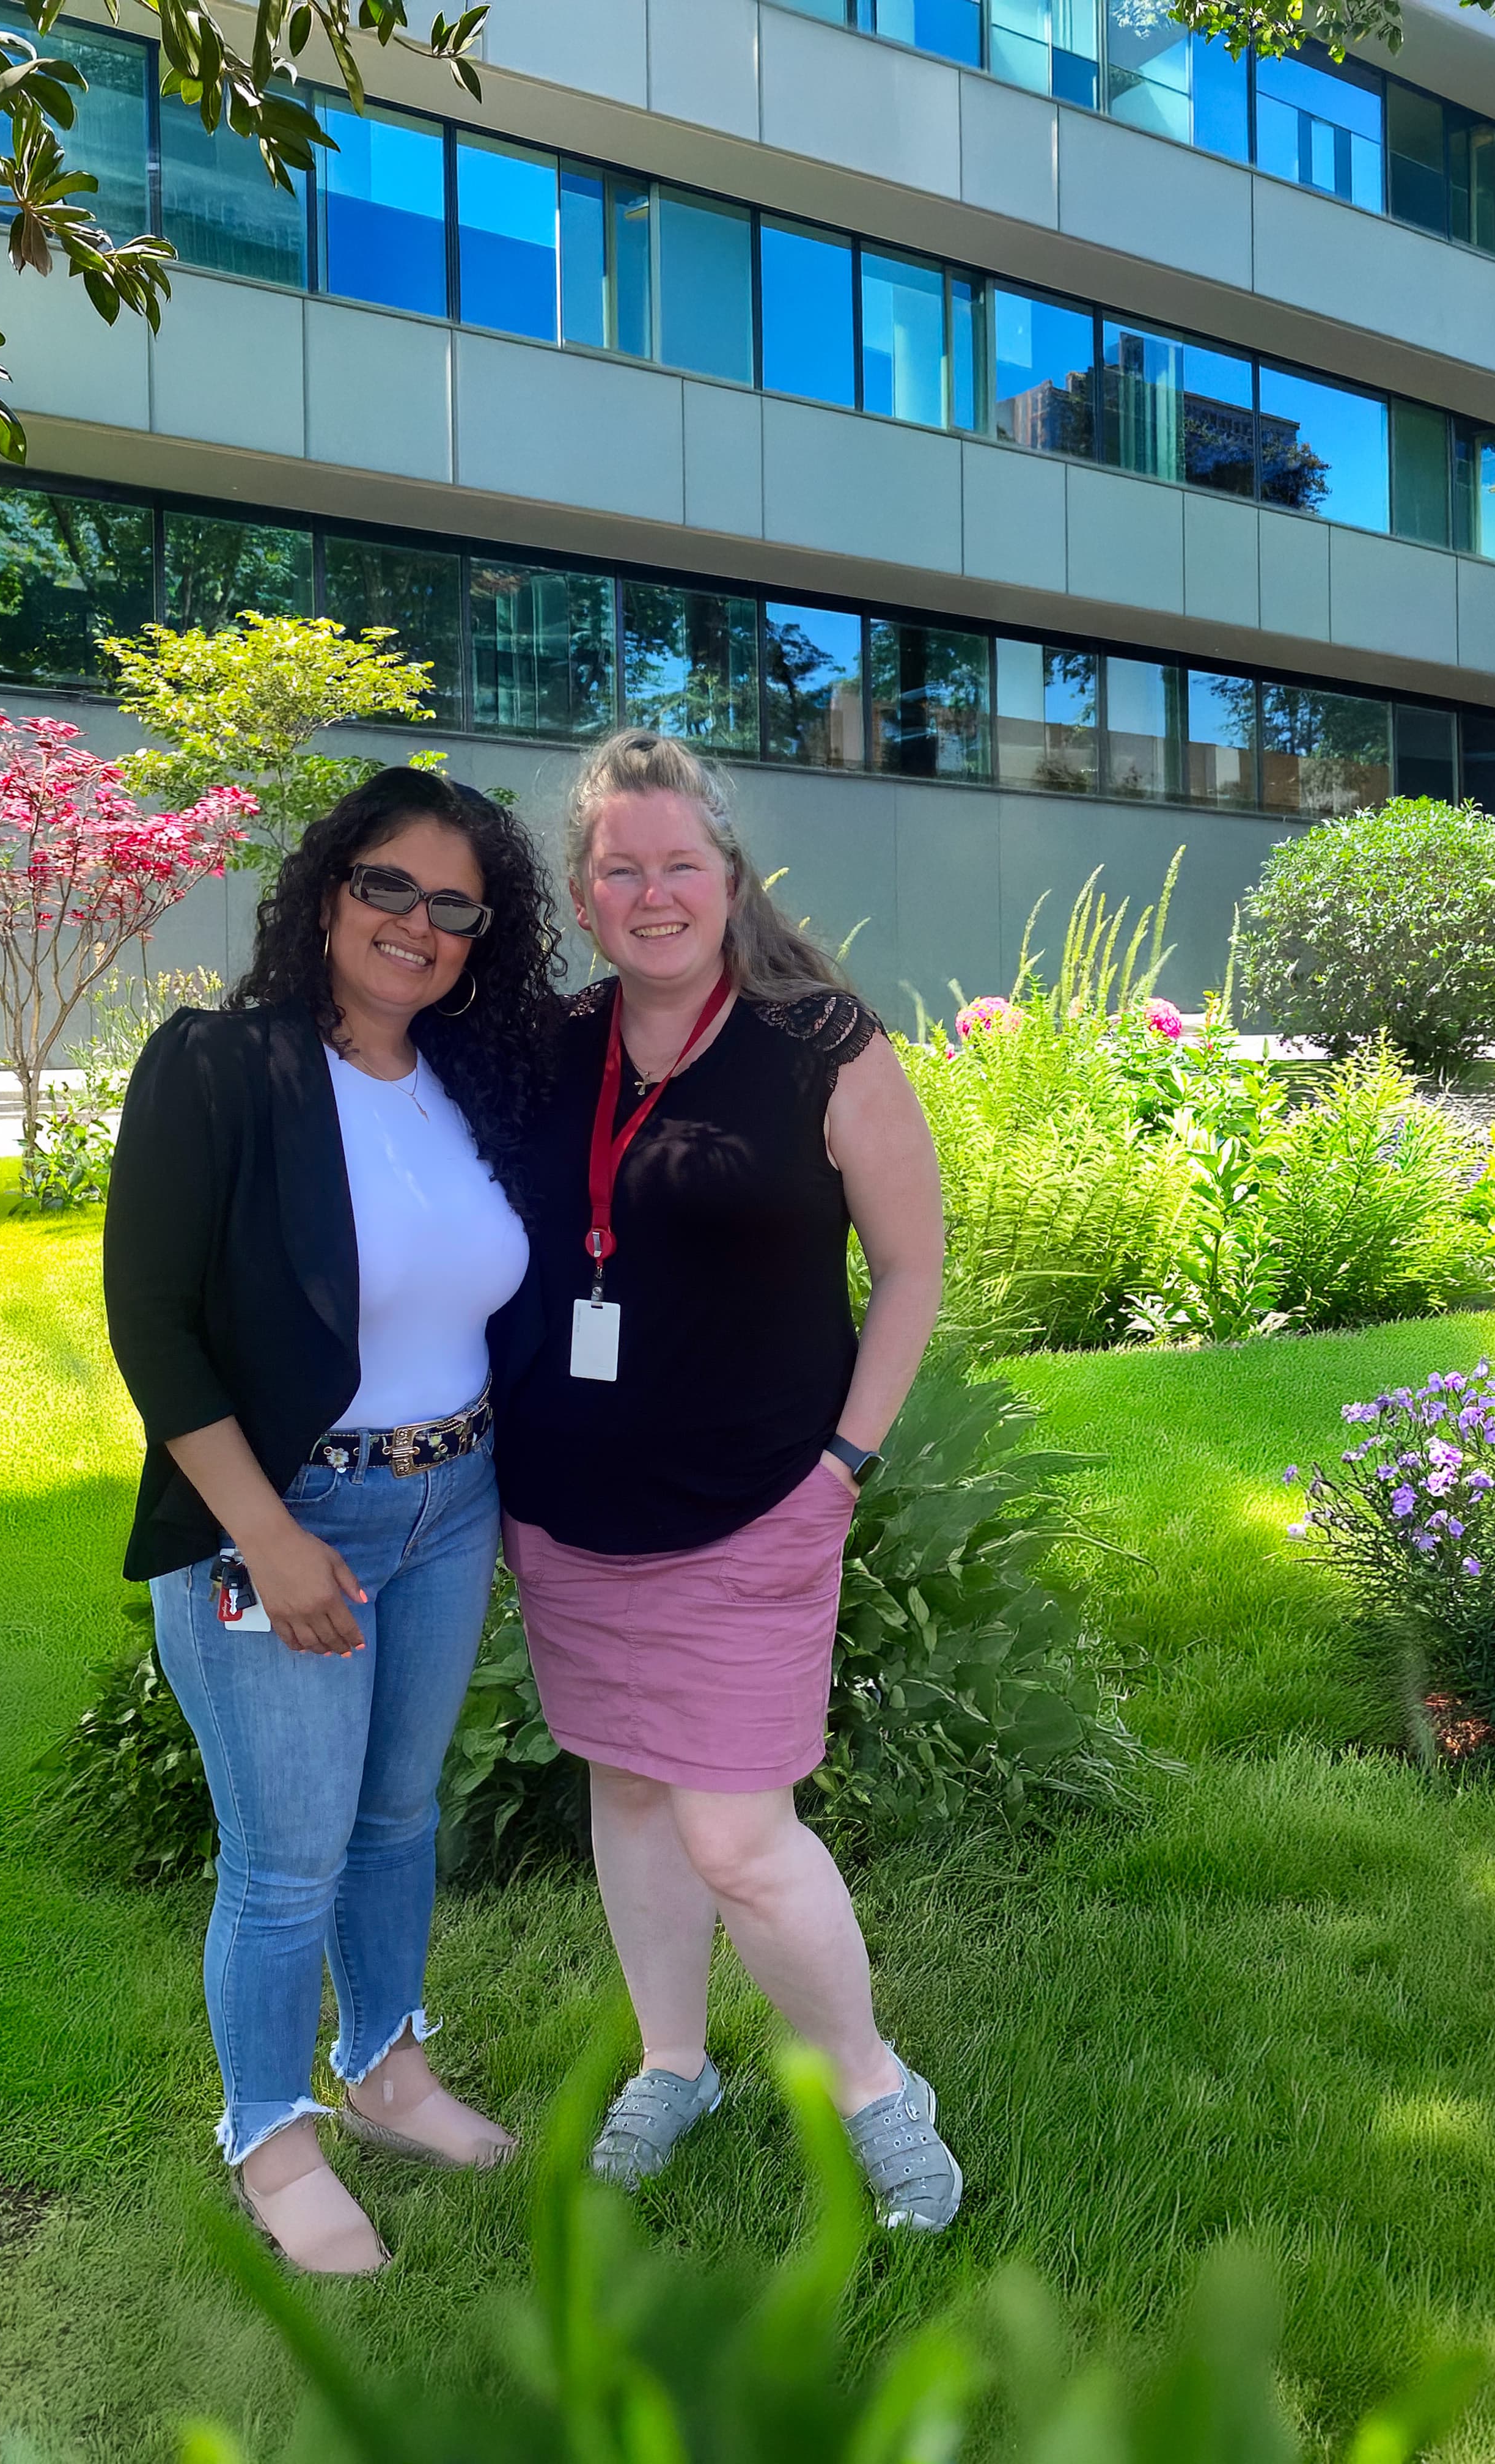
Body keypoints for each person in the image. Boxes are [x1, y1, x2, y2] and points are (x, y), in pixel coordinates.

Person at [490, 730, 960, 2232]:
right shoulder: (553, 1048)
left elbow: (911, 1266)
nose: (650, 891)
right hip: (569, 1511)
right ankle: (676, 2063)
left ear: (727, 875)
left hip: (758, 1502)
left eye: (676, 862)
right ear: (581, 888)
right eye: (617, 867)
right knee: (629, 1791)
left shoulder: (821, 1039)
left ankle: (878, 2088)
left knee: (738, 1836)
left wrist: (842, 1465)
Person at [104, 769, 560, 2275]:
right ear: (325, 890)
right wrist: (268, 1536)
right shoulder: (224, 1067)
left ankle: (388, 2073)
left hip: (452, 1498)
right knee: (286, 1856)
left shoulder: (459, 1084)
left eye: (453, 908)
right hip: (285, 1513)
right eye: (387, 886)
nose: (415, 926)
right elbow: (154, 1325)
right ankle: (267, 2129)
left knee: (396, 1819)